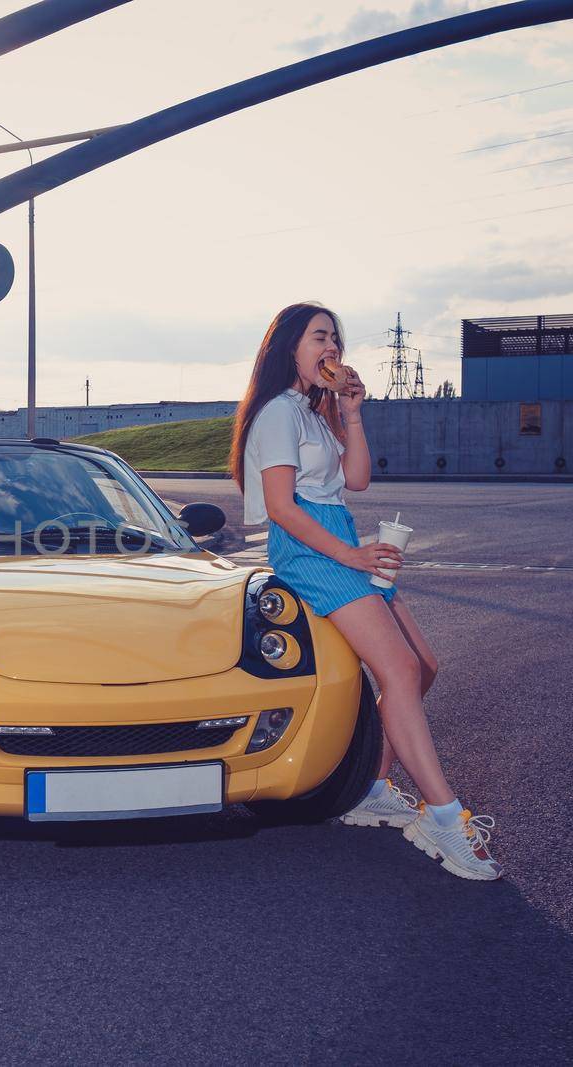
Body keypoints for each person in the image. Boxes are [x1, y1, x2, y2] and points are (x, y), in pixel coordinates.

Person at [229, 302, 502, 881]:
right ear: (289, 349)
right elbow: (281, 508)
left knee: (422, 666)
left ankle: (374, 789)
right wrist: (349, 554)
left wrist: (351, 413)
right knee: (399, 671)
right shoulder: (278, 412)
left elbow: (355, 480)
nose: (332, 348)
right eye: (319, 337)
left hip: (341, 538)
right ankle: (445, 818)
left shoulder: (315, 412)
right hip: (311, 550)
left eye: (336, 339)